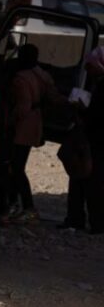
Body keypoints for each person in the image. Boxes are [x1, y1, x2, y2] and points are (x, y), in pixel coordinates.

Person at [1, 44, 63, 224]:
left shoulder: (21, 78)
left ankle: (24, 206)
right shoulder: (42, 75)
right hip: (36, 124)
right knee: (19, 165)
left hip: (22, 127)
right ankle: (19, 205)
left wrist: (8, 122)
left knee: (16, 167)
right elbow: (55, 97)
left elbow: (22, 107)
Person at [60, 46, 104, 234]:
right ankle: (77, 219)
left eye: (91, 65)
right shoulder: (95, 84)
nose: (87, 69)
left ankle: (96, 223)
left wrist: (83, 112)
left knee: (94, 184)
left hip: (97, 142)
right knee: (79, 179)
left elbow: (98, 116)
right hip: (89, 140)